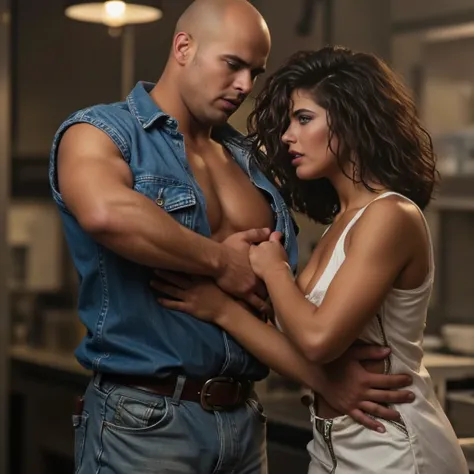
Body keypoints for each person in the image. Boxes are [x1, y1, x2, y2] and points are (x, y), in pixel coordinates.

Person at [49, 0, 414, 471]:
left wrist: (321, 378)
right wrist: (221, 262)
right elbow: (106, 213)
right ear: (184, 47)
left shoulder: (253, 162)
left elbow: (277, 309)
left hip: (244, 422)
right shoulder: (100, 131)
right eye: (233, 65)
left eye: (254, 72)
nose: (244, 86)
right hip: (142, 420)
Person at [152, 46, 469, 474]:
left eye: (303, 118)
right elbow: (298, 346)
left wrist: (275, 270)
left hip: (395, 447)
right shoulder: (339, 226)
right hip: (332, 446)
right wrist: (222, 308)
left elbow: (318, 340)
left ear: (353, 120)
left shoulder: (391, 215)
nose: (287, 136)